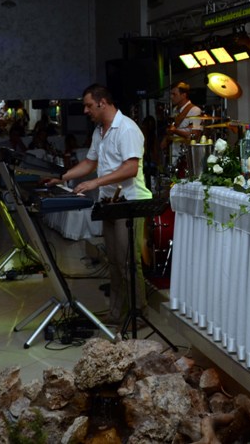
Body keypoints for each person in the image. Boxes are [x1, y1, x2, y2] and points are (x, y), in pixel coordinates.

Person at [50, 84, 151, 323]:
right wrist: (62, 177)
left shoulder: (127, 129)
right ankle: (116, 313)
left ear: (102, 102)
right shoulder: (100, 131)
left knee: (128, 262)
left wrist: (95, 183)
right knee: (113, 262)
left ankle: (139, 314)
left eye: (88, 105)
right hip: (109, 203)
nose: (86, 111)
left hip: (129, 203)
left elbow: (130, 168)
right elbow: (89, 162)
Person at [160, 82, 202, 159]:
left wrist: (175, 131)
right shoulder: (175, 110)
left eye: (174, 94)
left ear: (183, 95)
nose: (171, 97)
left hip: (186, 156)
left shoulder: (194, 110)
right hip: (174, 153)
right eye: (171, 94)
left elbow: (195, 136)